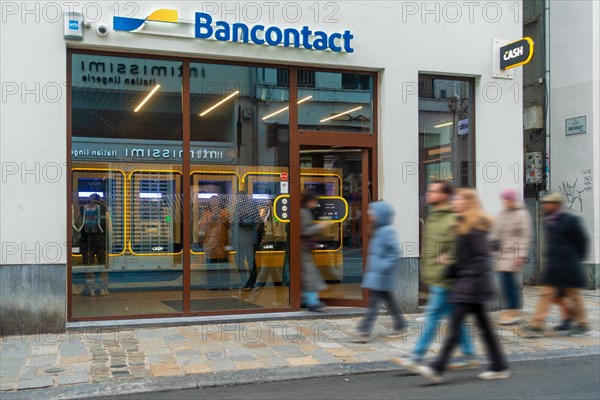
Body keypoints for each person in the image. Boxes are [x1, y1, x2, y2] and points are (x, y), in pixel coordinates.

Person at [410, 188, 509, 384]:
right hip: (471, 284)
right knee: (482, 329)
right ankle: (499, 366)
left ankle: (437, 368)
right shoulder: (465, 224)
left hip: (471, 285)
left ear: (467, 203)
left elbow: (477, 258)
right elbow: (468, 255)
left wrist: (451, 270)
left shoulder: (472, 227)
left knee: (455, 329)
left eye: (458, 200)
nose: (454, 202)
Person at [392, 180, 478, 370]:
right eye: (429, 190)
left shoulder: (452, 218)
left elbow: (462, 245)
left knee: (432, 317)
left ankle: (415, 357)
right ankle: (470, 354)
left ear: (445, 195)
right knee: (455, 318)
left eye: (434, 191)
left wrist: (447, 256)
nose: (429, 194)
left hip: (446, 279)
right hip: (437, 277)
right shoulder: (435, 216)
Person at [525, 192, 590, 337]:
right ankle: (538, 323)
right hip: (553, 265)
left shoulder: (570, 220)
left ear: (556, 204)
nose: (545, 206)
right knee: (546, 293)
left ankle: (583, 323)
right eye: (544, 203)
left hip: (569, 265)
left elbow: (582, 241)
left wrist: (575, 258)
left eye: (548, 203)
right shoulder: (548, 221)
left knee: (574, 296)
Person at [348, 201, 405, 343]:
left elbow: (394, 253)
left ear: (381, 215)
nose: (369, 214)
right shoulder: (378, 230)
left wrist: (382, 269)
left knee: (374, 304)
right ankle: (400, 324)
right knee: (389, 302)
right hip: (378, 275)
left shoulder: (387, 231)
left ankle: (363, 331)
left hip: (382, 276)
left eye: (372, 212)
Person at [492, 188, 532, 325]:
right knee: (504, 283)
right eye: (504, 200)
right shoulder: (503, 213)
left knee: (509, 283)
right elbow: (496, 232)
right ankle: (510, 310)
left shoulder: (522, 214)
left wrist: (521, 255)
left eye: (508, 200)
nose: (505, 202)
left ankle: (513, 311)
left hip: (514, 254)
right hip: (501, 255)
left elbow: (525, 236)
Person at [300, 190, 328, 311]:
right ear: (309, 201)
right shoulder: (303, 213)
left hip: (302, 250)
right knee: (310, 275)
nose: (316, 203)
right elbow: (305, 231)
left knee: (306, 275)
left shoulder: (304, 211)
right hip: (302, 251)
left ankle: (305, 299)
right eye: (314, 201)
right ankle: (312, 301)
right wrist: (320, 226)